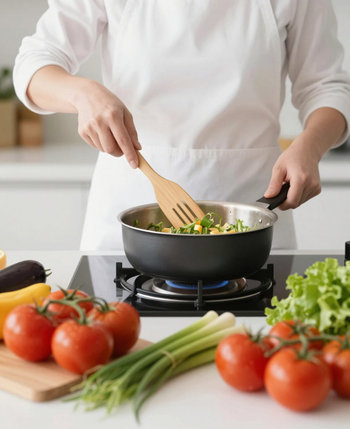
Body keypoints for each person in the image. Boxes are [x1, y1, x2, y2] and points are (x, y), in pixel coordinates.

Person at [13, 0, 350, 250]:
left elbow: (327, 86)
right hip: (129, 227)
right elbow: (33, 65)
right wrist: (82, 93)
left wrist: (310, 147)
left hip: (253, 219)